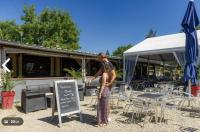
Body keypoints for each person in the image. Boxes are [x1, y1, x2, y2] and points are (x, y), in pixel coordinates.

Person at [89, 52, 116, 122]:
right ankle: (104, 117)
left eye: (99, 58)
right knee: (104, 102)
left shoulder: (109, 64)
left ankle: (107, 116)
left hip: (107, 85)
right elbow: (98, 73)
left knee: (106, 102)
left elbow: (114, 75)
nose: (98, 60)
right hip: (103, 84)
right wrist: (91, 79)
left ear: (102, 57)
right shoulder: (103, 64)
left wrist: (110, 83)